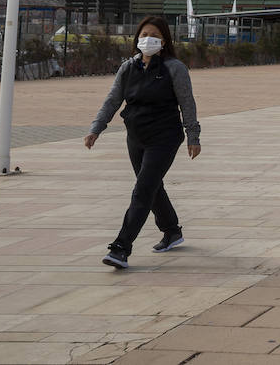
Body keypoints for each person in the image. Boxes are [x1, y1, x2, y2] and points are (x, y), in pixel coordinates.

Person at [84, 15, 201, 269]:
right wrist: (96, 128)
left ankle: (121, 248)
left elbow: (187, 103)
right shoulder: (128, 68)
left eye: (155, 36)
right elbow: (113, 100)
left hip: (165, 137)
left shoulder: (174, 68)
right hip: (136, 137)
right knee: (151, 186)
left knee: (143, 190)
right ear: (137, 38)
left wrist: (193, 136)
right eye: (145, 35)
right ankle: (171, 231)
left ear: (164, 41)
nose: (149, 39)